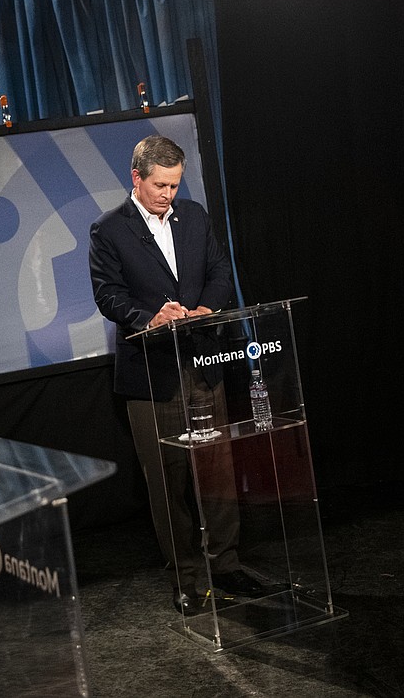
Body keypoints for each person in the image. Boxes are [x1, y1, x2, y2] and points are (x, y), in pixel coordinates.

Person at [88, 134, 261, 615]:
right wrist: (150, 318)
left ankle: (225, 564)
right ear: (136, 178)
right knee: (168, 479)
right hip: (151, 373)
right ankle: (185, 577)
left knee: (217, 469)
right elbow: (108, 295)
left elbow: (220, 271)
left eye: (175, 185)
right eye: (160, 185)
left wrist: (207, 306)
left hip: (203, 363)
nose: (168, 195)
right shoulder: (108, 230)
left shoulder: (195, 217)